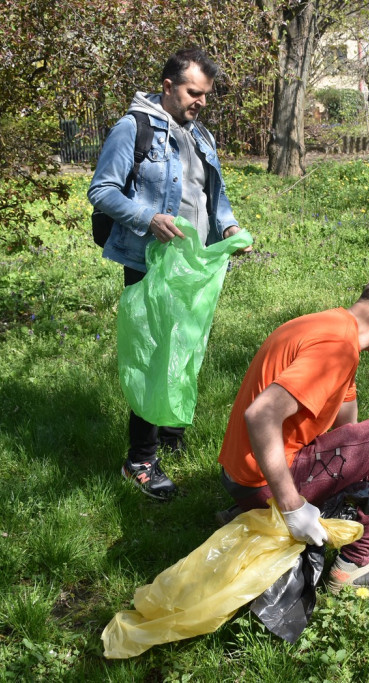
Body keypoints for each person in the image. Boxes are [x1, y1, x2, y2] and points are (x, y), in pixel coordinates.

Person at [88, 48, 249, 501]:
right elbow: (101, 190)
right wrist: (147, 219)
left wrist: (229, 224)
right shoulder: (133, 128)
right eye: (192, 92)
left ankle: (170, 431)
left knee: (186, 343)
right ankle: (139, 459)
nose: (200, 101)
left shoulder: (199, 134)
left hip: (193, 264)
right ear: (167, 86)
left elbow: (212, 195)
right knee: (153, 354)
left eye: (205, 95)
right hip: (150, 262)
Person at [217, 267, 369, 594]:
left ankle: (253, 517)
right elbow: (261, 414)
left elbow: (350, 433)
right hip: (260, 484)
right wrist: (292, 506)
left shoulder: (331, 326)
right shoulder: (336, 348)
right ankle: (356, 566)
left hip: (241, 476)